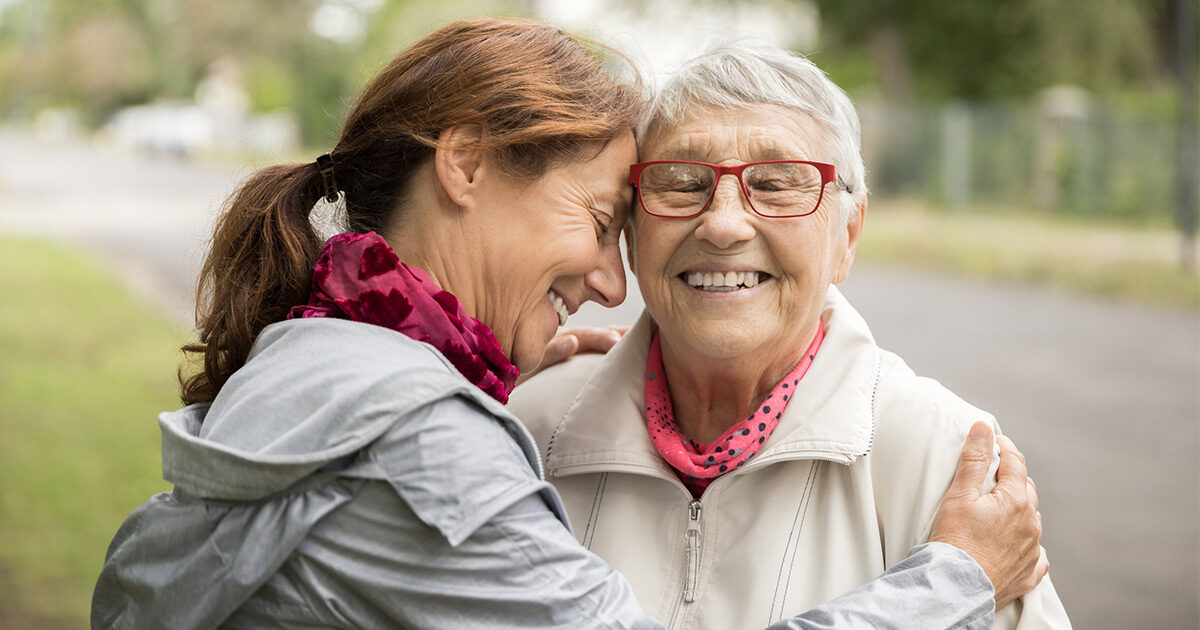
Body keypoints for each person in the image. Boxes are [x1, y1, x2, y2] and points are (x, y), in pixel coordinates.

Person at [91, 19, 1045, 629]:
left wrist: (479, 396)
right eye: (606, 219)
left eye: (780, 186)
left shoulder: (321, 358)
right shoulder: (428, 434)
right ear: (464, 163)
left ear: (849, 231)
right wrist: (953, 580)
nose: (608, 279)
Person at [509, 42, 1070, 629]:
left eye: (778, 183)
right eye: (681, 181)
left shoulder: (945, 456)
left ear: (847, 235)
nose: (723, 224)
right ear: (631, 228)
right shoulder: (530, 425)